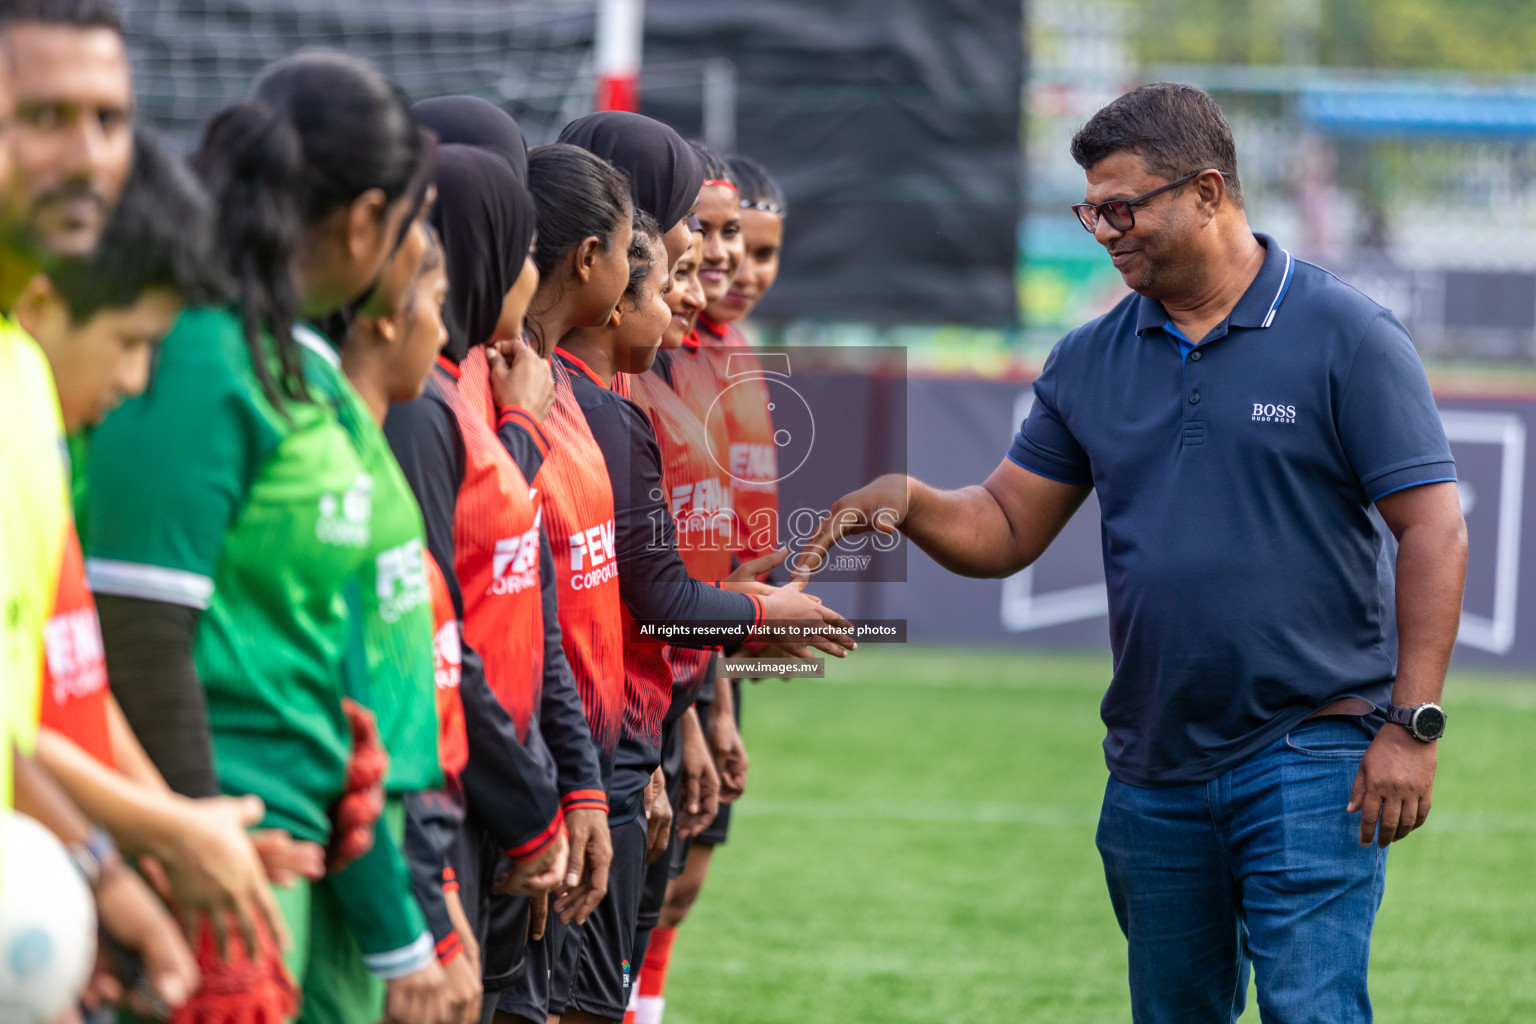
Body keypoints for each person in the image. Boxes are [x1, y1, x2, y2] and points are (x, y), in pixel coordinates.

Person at [802, 83, 1468, 1024]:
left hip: (1315, 746)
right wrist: (908, 502)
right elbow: (1003, 524)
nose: (1104, 231)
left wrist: (1414, 725)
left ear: (1207, 192)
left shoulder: (1347, 335)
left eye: (1123, 207)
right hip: (1154, 767)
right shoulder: (1088, 358)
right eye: (1091, 211)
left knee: (1312, 1010)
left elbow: (1432, 526)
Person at [80, 51, 449, 1020]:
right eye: (417, 227)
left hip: (283, 842)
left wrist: (341, 751)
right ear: (368, 220)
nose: (419, 259)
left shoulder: (287, 360)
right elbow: (138, 632)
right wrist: (196, 858)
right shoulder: (200, 356)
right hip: (205, 861)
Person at [382, 141, 572, 1024]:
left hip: (489, 790)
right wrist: (533, 800)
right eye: (522, 245)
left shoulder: (473, 383)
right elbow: (433, 639)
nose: (530, 271)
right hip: (443, 803)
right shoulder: (421, 408)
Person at [638, 155, 789, 1024]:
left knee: (682, 876)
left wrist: (721, 689)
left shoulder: (733, 356)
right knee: (643, 880)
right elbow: (669, 566)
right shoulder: (649, 362)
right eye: (715, 233)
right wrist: (698, 706)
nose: (733, 260)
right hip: (665, 665)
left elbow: (727, 541)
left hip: (709, 651)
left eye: (752, 243)